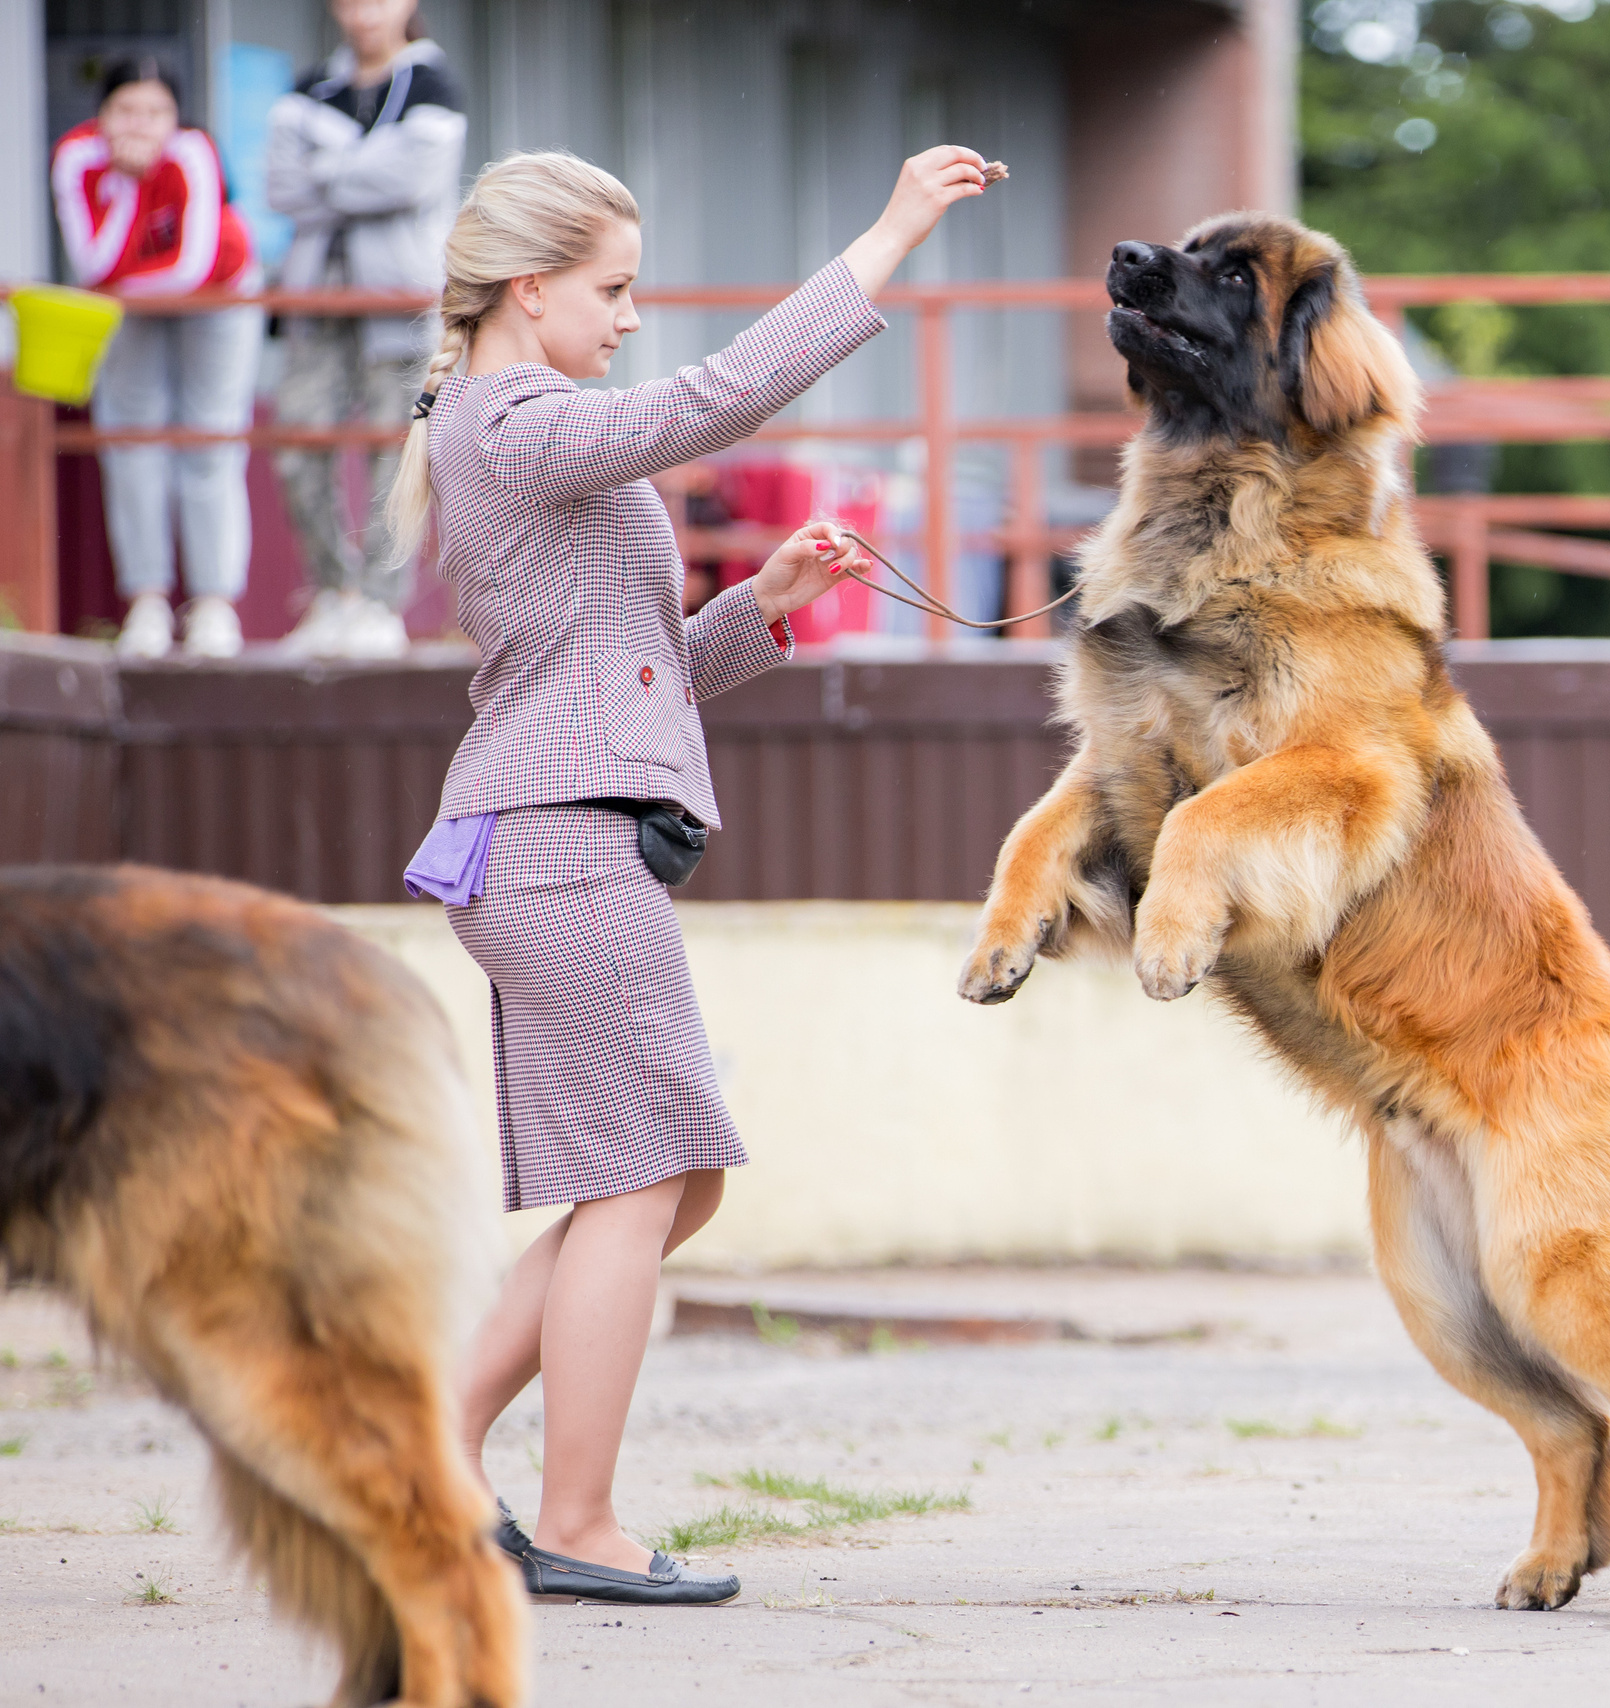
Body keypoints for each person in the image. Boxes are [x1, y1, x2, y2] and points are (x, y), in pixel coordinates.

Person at [396, 144, 992, 1607]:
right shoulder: (516, 420)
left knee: (668, 1184)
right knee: (645, 1180)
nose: (629, 317)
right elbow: (713, 399)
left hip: (555, 835)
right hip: (560, 846)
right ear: (529, 293)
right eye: (611, 289)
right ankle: (579, 1521)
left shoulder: (508, 429)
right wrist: (889, 229)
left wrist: (763, 609)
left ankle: (428, 1446)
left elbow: (629, 679)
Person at [266, 0, 467, 657]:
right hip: (316, 295)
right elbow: (280, 187)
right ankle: (332, 595)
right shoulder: (308, 88)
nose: (365, 11)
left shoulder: (433, 84)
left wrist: (327, 168)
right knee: (299, 440)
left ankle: (381, 605)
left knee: (396, 448)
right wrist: (368, 169)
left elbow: (415, 181)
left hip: (400, 297)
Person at [50, 57, 261, 660]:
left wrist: (117, 286)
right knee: (131, 439)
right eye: (126, 110)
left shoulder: (194, 152)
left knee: (209, 440)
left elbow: (191, 268)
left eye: (155, 112)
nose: (140, 125)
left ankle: (214, 605)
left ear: (176, 117)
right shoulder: (77, 158)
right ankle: (145, 599)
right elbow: (91, 263)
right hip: (130, 304)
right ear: (102, 116)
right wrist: (126, 184)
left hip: (220, 294)